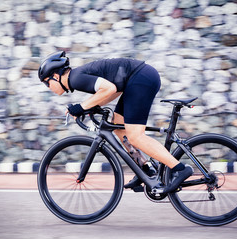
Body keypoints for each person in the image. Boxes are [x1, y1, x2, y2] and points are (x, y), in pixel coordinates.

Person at [38, 51, 193, 193]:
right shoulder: (77, 77)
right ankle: (146, 169)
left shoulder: (76, 78)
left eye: (47, 83)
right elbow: (110, 90)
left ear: (56, 76)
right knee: (119, 129)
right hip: (137, 79)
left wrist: (81, 107)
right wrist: (89, 107)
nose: (48, 87)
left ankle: (180, 169)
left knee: (135, 136)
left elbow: (109, 89)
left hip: (140, 79)